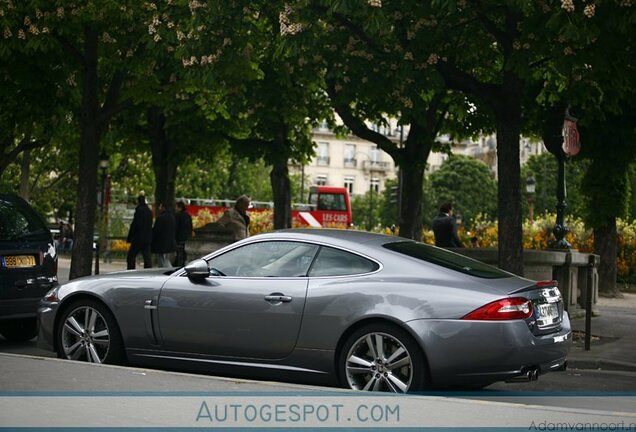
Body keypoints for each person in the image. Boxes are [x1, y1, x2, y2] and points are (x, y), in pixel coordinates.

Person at [126, 193, 153, 269]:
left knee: (131, 256)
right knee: (147, 258)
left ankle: (130, 271)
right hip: (147, 238)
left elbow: (136, 224)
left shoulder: (139, 210)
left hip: (138, 238)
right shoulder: (149, 211)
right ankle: (148, 272)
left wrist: (131, 236)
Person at [151, 202, 177, 267]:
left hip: (161, 244)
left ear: (163, 208)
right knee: (166, 260)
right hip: (170, 243)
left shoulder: (160, 218)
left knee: (161, 261)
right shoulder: (172, 217)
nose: (159, 208)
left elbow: (156, 231)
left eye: (160, 207)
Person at [174, 200, 193, 267]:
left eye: (176, 207)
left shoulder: (177, 216)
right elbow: (191, 227)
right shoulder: (188, 215)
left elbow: (175, 227)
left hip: (179, 238)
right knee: (183, 254)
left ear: (180, 207)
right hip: (187, 238)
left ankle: (178, 267)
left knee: (179, 254)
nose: (175, 208)